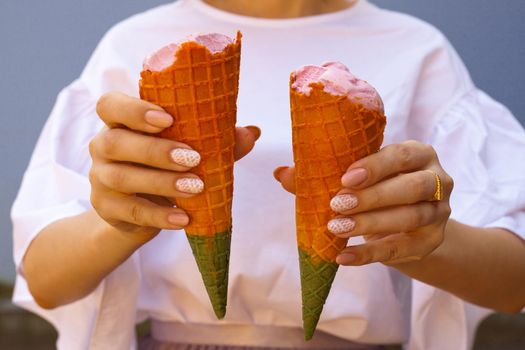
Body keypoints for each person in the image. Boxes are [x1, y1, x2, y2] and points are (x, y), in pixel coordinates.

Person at [11, 0, 525, 349]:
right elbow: (45, 279)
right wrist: (123, 222)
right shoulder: (131, 44)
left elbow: (514, 283)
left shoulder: (417, 48)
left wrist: (426, 236)